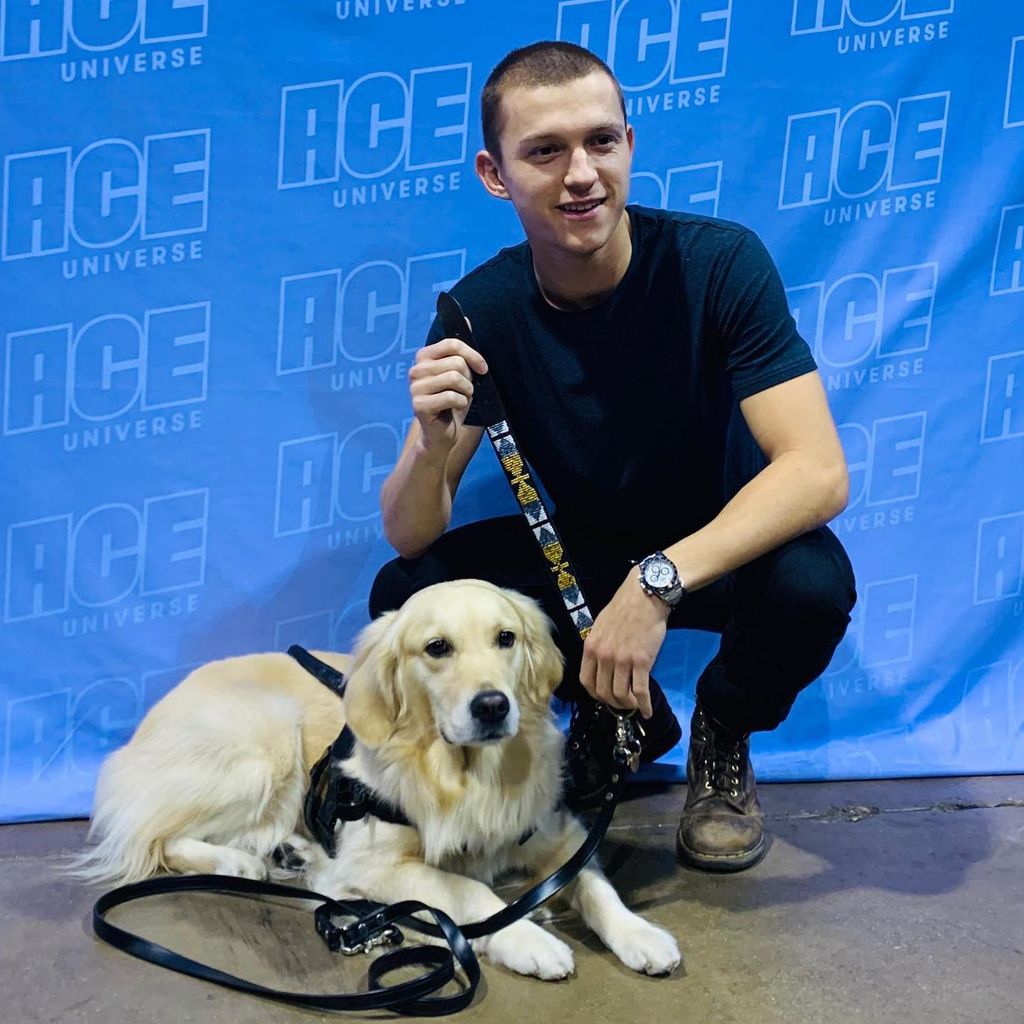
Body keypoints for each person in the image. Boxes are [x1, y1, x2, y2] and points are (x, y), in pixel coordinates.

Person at [369, 41, 857, 873]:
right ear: (496, 174)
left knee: (813, 583)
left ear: (631, 142)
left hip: (723, 551)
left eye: (601, 141)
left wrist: (659, 579)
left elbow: (817, 472)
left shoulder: (719, 265)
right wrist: (434, 437)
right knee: (410, 590)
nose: (581, 174)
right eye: (545, 151)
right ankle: (617, 710)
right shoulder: (476, 311)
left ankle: (721, 733)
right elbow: (409, 535)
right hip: (582, 565)